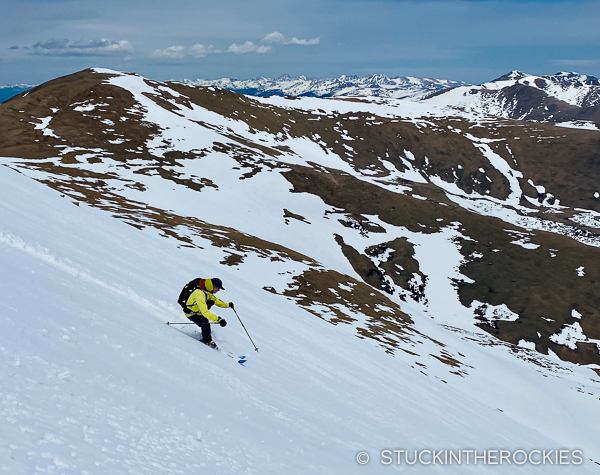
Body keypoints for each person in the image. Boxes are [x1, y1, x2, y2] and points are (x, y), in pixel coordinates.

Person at [184, 278, 233, 349]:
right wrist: (219, 319)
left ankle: (206, 338)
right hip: (191, 313)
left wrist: (228, 305)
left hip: (198, 312)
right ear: (213, 286)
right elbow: (205, 312)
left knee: (205, 322)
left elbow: (217, 301)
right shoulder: (199, 293)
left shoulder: (208, 293)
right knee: (205, 324)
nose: (218, 290)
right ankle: (207, 341)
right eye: (218, 288)